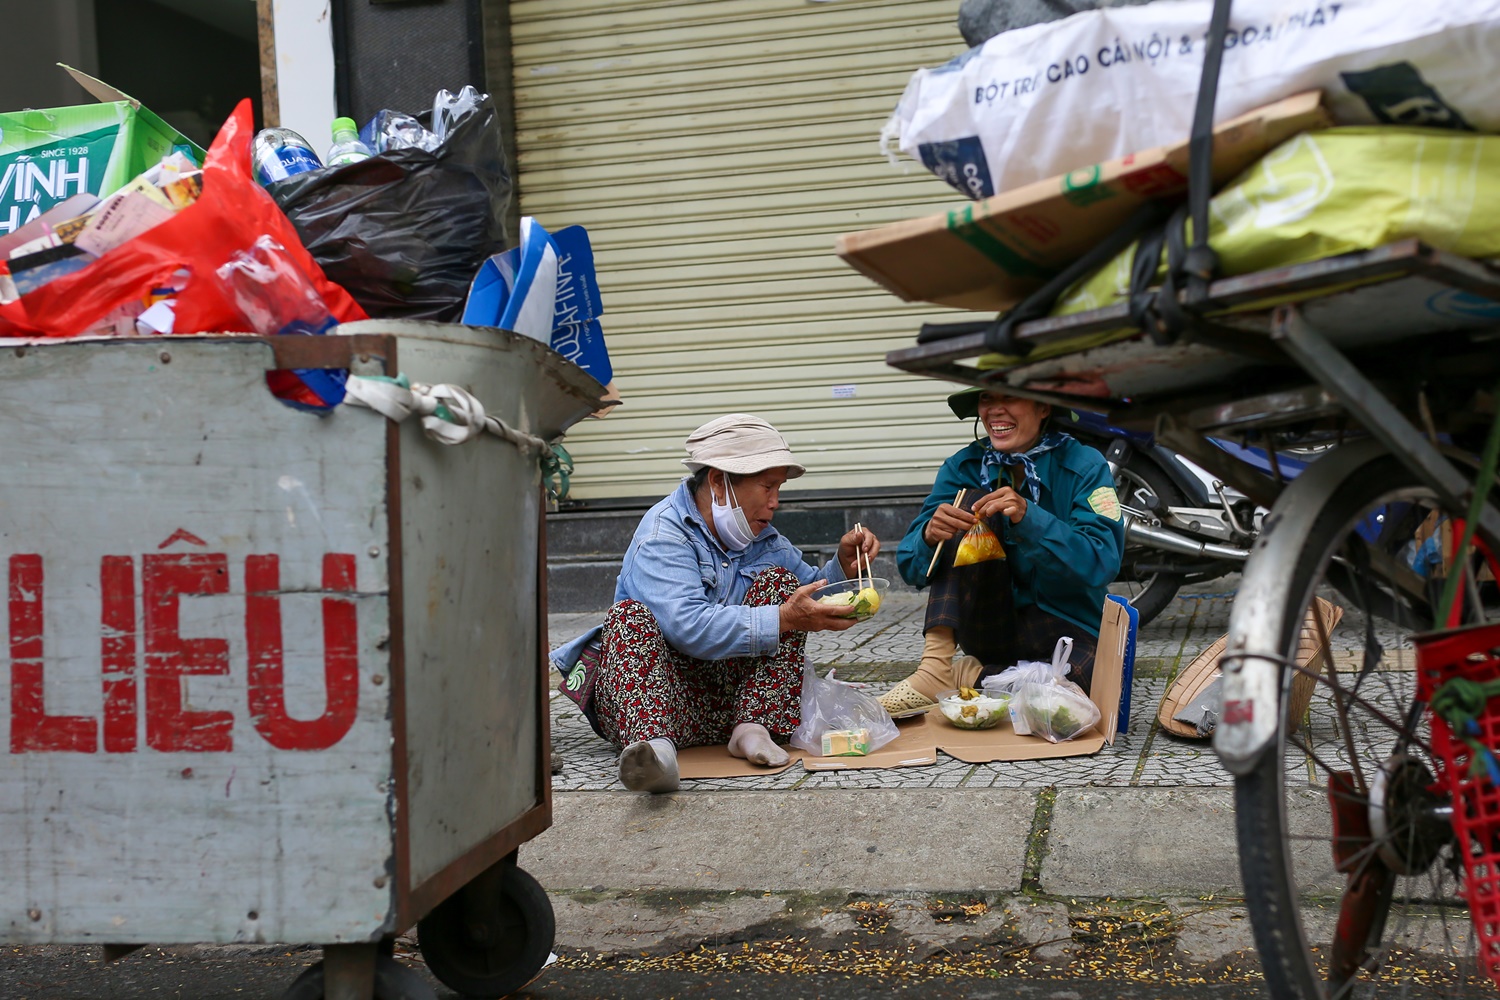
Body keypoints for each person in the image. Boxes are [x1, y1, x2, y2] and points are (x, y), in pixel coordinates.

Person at [551, 414, 880, 793]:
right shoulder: (663, 535)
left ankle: (753, 728)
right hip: (663, 704)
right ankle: (657, 752)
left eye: (780, 488)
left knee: (780, 584)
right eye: (767, 486)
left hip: (728, 705)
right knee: (628, 618)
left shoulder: (765, 540)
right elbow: (689, 628)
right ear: (718, 483)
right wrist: (785, 618)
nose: (775, 502)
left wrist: (844, 568)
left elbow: (810, 597)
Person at [878, 388, 1124, 714]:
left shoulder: (1086, 465)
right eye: (986, 399)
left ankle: (973, 676)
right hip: (989, 627)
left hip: (1066, 625)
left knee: (1081, 684)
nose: (995, 410)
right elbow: (910, 567)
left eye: (1009, 396)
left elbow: (1102, 561)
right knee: (968, 504)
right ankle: (936, 668)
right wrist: (928, 536)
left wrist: (1028, 518)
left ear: (1043, 406)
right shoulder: (962, 467)